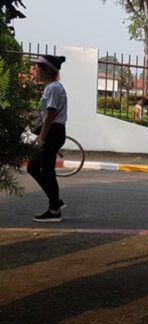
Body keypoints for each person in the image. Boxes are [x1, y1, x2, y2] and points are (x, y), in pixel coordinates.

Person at [27, 55, 68, 222]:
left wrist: (42, 137)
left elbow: (50, 114)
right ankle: (55, 201)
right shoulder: (53, 87)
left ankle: (54, 210)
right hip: (54, 131)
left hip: (52, 131)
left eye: (39, 68)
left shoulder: (53, 88)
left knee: (45, 170)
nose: (36, 71)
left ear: (48, 71)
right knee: (35, 167)